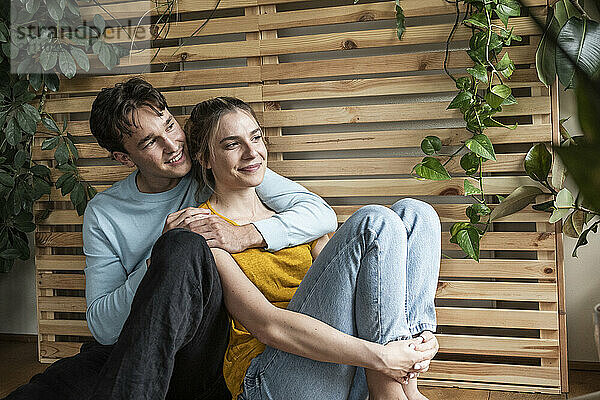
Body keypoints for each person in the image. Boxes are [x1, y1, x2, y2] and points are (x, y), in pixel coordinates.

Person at [3, 78, 339, 400]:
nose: (172, 145)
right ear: (124, 157)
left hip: (201, 350)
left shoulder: (215, 168)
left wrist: (244, 234)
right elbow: (104, 327)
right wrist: (154, 261)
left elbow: (319, 215)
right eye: (150, 142)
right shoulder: (104, 213)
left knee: (184, 245)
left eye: (169, 125)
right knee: (49, 388)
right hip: (129, 349)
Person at [184, 97, 441, 400]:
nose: (252, 153)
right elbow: (269, 327)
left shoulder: (294, 220)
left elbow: (363, 293)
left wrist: (421, 338)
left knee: (417, 213)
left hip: (348, 361)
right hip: (271, 377)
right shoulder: (209, 231)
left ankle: (403, 378)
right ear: (205, 157)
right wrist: (382, 358)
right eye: (232, 145)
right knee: (376, 221)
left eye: (255, 137)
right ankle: (389, 392)